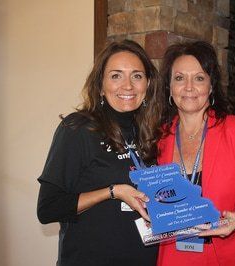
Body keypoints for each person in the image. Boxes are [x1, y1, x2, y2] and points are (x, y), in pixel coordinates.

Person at [37, 40, 163, 266]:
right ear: (100, 85)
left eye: (136, 76)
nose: (127, 86)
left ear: (148, 84)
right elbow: (48, 208)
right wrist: (112, 192)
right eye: (116, 76)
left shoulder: (151, 132)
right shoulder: (78, 129)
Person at [157, 41, 235, 265]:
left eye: (199, 78)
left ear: (211, 86)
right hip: (175, 256)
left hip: (232, 254)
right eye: (179, 78)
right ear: (169, 87)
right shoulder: (159, 138)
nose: (188, 87)